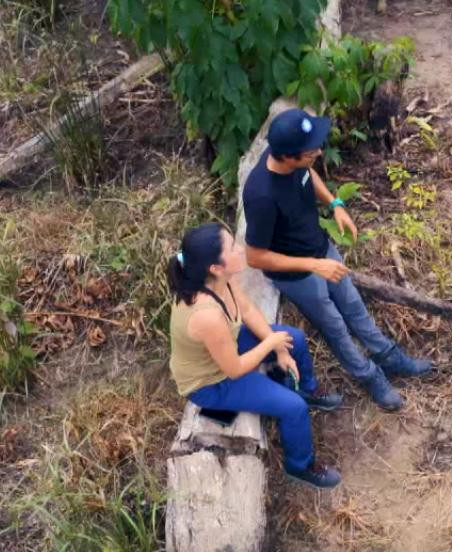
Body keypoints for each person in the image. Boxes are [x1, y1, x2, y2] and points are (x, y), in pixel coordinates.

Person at [242, 108, 433, 412]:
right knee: (335, 327)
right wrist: (314, 266)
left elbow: (308, 173)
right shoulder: (262, 196)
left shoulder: (292, 159)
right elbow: (255, 256)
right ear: (289, 156)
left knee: (355, 307)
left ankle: (389, 356)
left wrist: (336, 204)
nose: (318, 152)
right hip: (299, 276)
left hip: (322, 249)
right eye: (310, 150)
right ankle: (370, 377)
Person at [168, 223, 343, 489]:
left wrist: (280, 348)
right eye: (232, 248)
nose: (240, 249)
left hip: (228, 346)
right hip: (212, 382)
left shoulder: (221, 281)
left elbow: (247, 310)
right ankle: (300, 466)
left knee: (293, 339)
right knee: (293, 407)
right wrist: (270, 343)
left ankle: (307, 389)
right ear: (215, 267)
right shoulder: (206, 315)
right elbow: (235, 370)